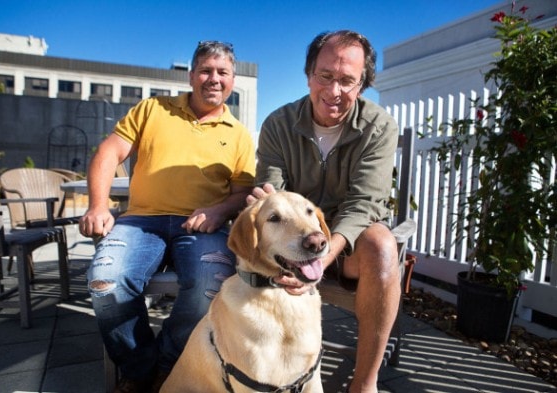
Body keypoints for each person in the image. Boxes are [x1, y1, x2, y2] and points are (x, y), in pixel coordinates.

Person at [79, 41, 255, 393]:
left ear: (233, 80)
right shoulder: (152, 109)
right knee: (106, 281)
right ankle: (139, 369)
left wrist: (218, 210)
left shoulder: (239, 134)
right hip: (141, 222)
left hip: (203, 227)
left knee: (211, 285)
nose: (213, 79)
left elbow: (241, 194)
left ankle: (169, 363)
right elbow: (109, 151)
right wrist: (98, 205)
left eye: (223, 73)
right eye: (206, 70)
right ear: (191, 75)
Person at [250, 30, 400, 393]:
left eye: (347, 81)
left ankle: (365, 382)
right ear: (308, 75)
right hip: (294, 238)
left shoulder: (378, 126)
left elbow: (364, 203)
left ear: (362, 84)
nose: (334, 92)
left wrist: (320, 258)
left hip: (349, 244)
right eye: (325, 76)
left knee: (382, 246)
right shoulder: (278, 123)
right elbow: (271, 192)